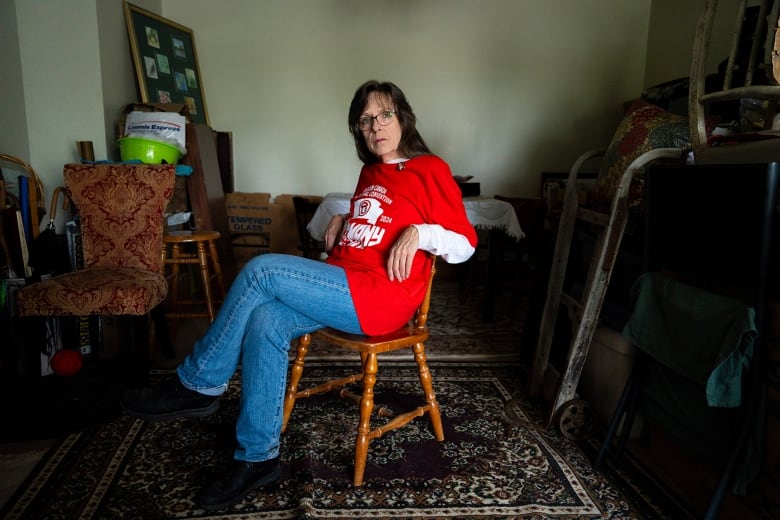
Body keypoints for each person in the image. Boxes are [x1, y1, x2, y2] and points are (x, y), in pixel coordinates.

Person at [121, 80, 478, 511]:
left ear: (403, 117)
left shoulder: (430, 169)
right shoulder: (371, 173)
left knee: (261, 270)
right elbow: (375, 224)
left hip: (381, 298)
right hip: (343, 283)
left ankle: (198, 383)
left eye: (384, 115)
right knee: (264, 321)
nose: (375, 127)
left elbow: (465, 244)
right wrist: (343, 220)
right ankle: (257, 457)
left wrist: (420, 232)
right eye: (365, 121)